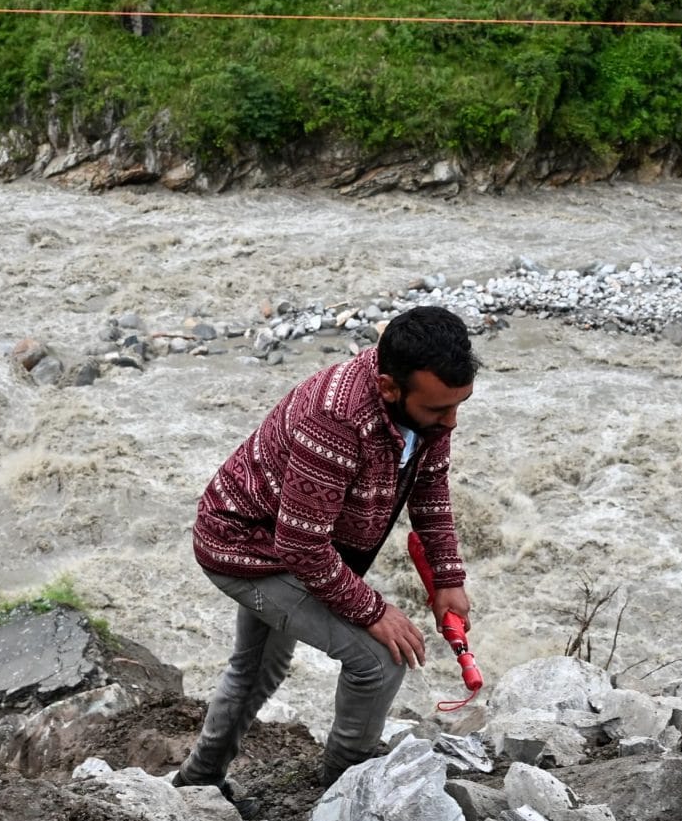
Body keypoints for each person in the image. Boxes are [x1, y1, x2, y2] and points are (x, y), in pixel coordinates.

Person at [177, 304, 476, 794]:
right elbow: (301, 547)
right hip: (247, 548)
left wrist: (447, 577)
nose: (453, 422)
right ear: (388, 387)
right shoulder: (333, 420)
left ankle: (196, 783)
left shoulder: (427, 413)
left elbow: (429, 488)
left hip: (292, 543)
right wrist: (373, 609)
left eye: (460, 404)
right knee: (381, 662)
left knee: (256, 671)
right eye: (440, 409)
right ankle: (345, 793)